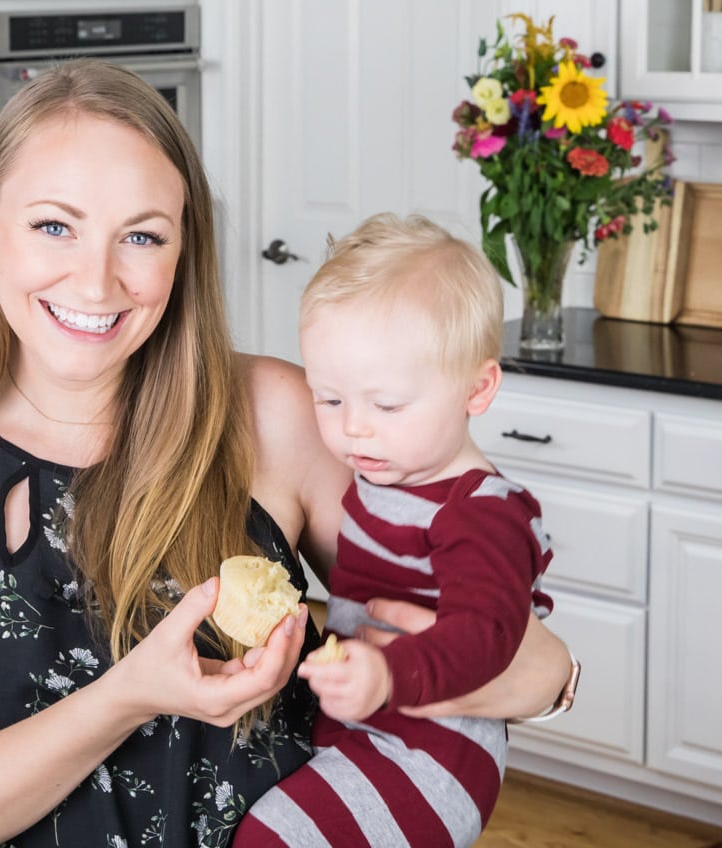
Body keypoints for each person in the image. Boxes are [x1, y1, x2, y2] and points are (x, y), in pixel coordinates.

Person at [0, 59, 573, 848]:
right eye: (55, 225)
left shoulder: (277, 414)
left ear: (184, 244)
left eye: (142, 236)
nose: (96, 282)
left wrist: (535, 678)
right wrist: (130, 694)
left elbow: (536, 667)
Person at [235, 213, 560, 848]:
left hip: (432, 756)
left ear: (478, 388)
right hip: (369, 731)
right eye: (330, 399)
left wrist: (387, 677)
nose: (354, 428)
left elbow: (486, 636)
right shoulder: (391, 473)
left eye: (386, 405)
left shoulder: (478, 512)